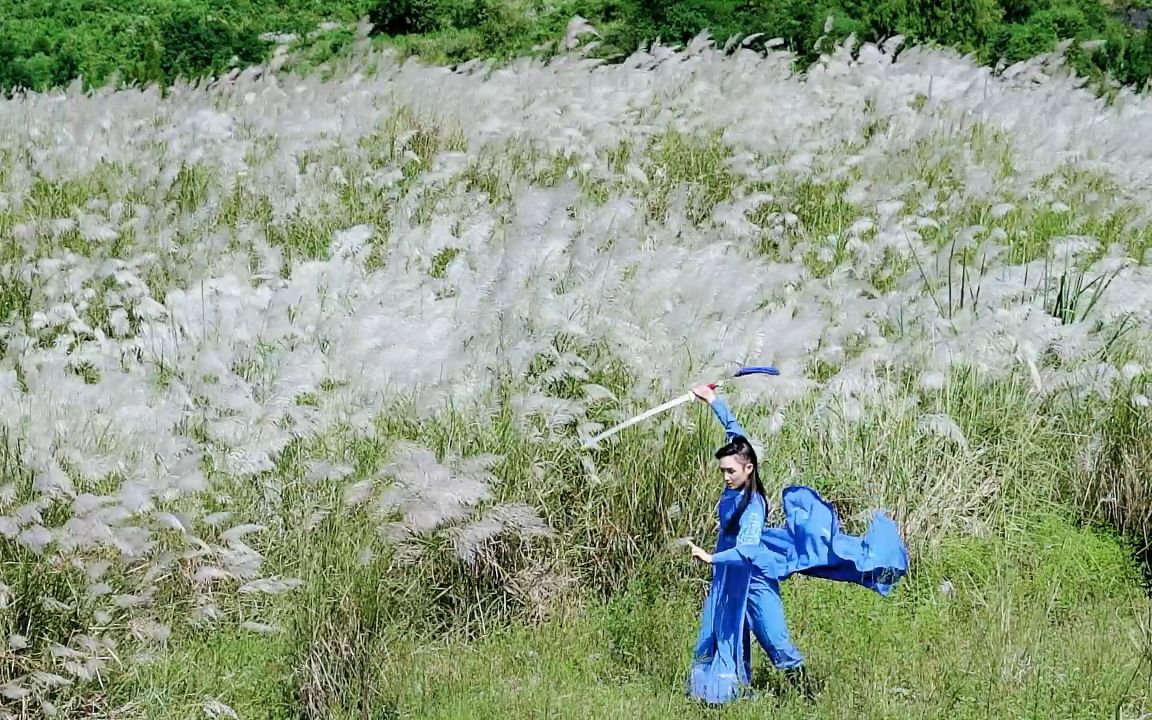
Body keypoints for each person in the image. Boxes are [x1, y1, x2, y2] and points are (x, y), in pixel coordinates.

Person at [683, 384, 909, 705]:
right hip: (731, 576)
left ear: (749, 469)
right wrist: (713, 400)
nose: (725, 477)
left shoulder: (754, 506)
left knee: (775, 639)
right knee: (720, 633)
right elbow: (735, 431)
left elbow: (747, 549)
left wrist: (710, 558)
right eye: (723, 471)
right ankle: (721, 695)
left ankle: (809, 699)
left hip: (754, 576)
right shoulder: (739, 469)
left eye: (730, 471)